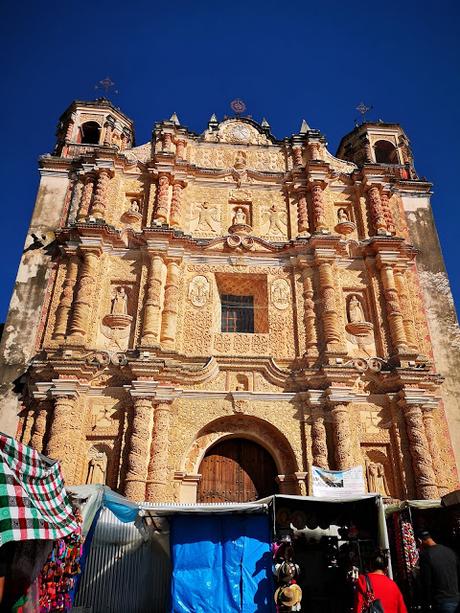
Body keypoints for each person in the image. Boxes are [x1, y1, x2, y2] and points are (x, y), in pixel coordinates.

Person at [418, 530, 460, 612]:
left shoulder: (426, 555)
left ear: (420, 541)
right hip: (456, 598)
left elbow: (426, 583)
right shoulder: (450, 551)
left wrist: (425, 605)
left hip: (441, 602)